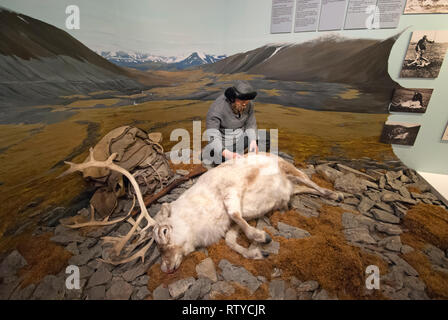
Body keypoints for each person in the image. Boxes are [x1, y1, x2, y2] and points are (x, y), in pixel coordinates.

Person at [201, 81, 270, 167]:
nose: (245, 104)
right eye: (242, 101)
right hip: (224, 144)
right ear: (232, 99)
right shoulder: (217, 109)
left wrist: (253, 140)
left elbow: (250, 123)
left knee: (266, 137)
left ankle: (249, 159)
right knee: (218, 157)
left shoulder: (248, 104)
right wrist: (227, 153)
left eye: (247, 101)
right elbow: (213, 136)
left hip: (240, 138)